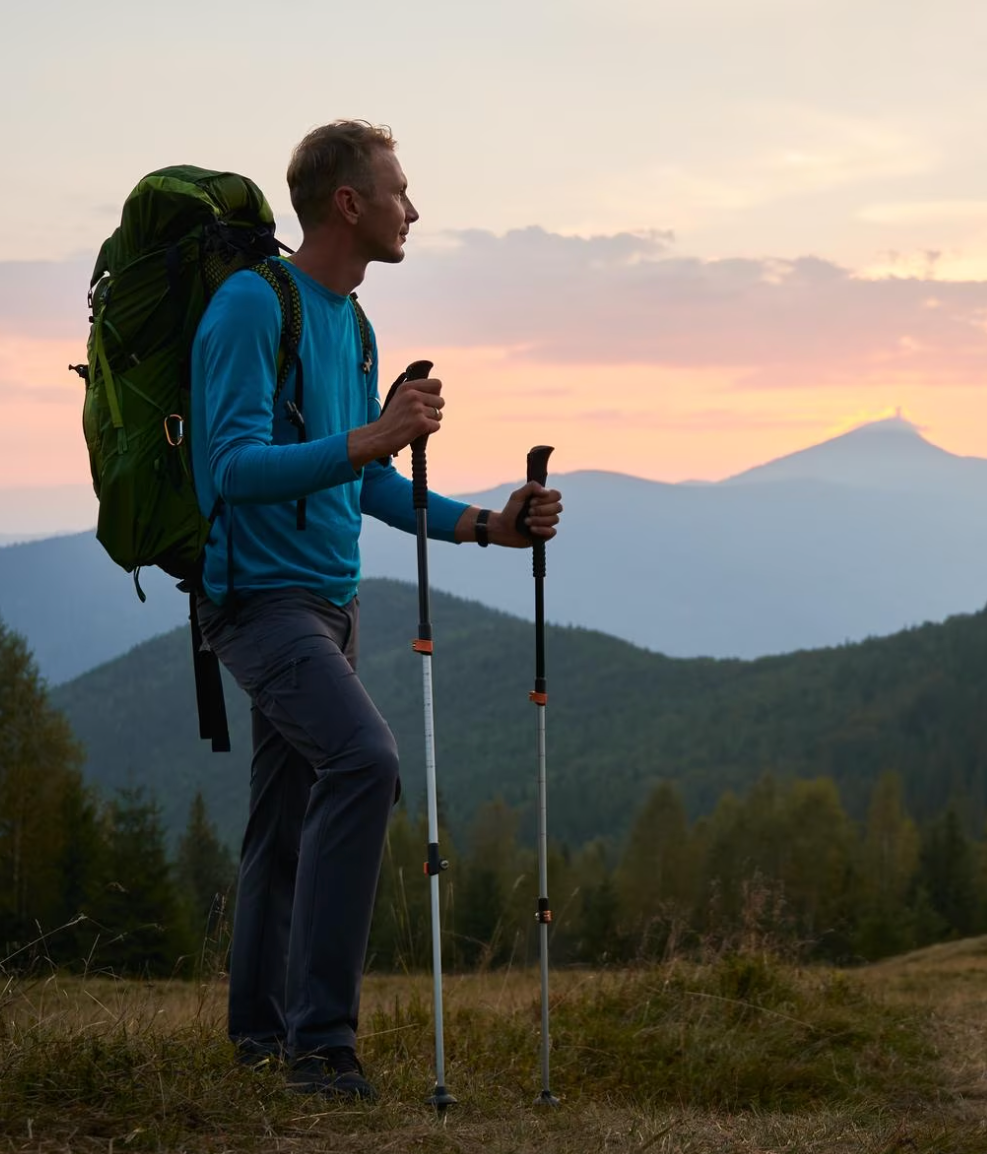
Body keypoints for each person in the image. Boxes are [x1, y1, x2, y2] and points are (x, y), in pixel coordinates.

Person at [190, 120, 562, 1100]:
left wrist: (491, 524)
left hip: (331, 604)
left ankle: (261, 1040)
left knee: (285, 822)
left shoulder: (351, 326)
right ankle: (322, 1041)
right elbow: (227, 468)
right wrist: (372, 435)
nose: (414, 208)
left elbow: (367, 485)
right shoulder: (247, 306)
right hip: (258, 601)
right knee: (365, 762)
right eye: (400, 189)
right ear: (348, 202)